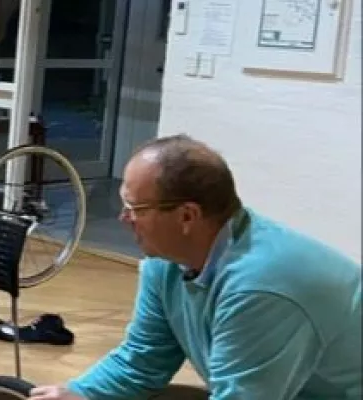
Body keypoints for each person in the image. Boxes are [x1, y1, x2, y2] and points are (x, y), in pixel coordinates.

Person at [29, 135, 362, 400]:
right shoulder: (166, 262)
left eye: (135, 208)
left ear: (187, 216)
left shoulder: (260, 287)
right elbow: (145, 358)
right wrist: (81, 393)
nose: (123, 218)